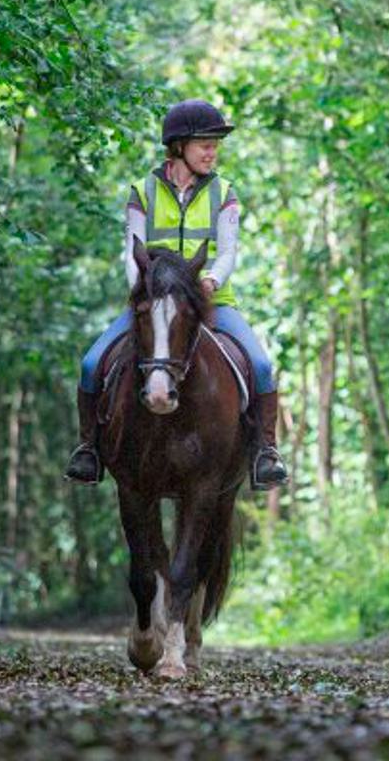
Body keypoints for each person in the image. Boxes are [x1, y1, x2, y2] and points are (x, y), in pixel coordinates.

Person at [64, 99, 288, 490]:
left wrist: (211, 282)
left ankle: (265, 452)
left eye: (215, 144)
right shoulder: (143, 191)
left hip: (211, 302)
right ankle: (89, 448)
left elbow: (228, 250)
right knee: (91, 362)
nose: (212, 151)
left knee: (261, 365)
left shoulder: (225, 192)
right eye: (205, 143)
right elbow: (130, 250)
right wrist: (143, 287)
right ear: (179, 145)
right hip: (153, 301)